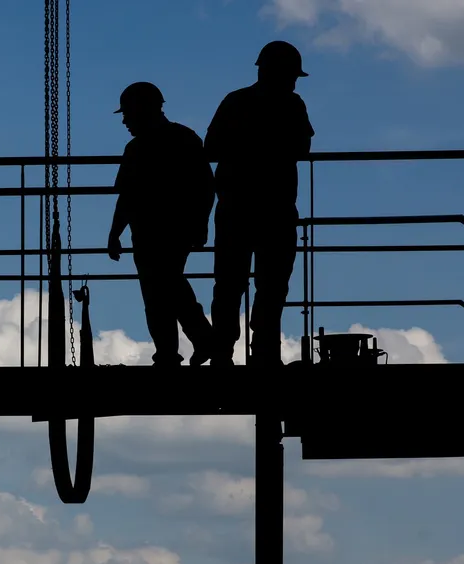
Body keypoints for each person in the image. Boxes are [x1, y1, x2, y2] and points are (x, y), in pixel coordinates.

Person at [205, 41, 315, 366]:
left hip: (237, 208)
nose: (294, 82)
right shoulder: (292, 105)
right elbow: (302, 148)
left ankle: (223, 353)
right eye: (292, 75)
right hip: (274, 209)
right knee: (271, 286)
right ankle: (264, 353)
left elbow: (210, 149)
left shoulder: (236, 102)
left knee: (230, 285)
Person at [106, 81, 216, 366]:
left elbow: (127, 198)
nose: (125, 121)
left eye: (128, 113)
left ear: (143, 110)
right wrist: (201, 224)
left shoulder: (140, 148)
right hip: (167, 230)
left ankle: (179, 349)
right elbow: (206, 187)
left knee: (160, 290)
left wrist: (115, 233)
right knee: (166, 287)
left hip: (154, 231)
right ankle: (192, 344)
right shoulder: (183, 139)